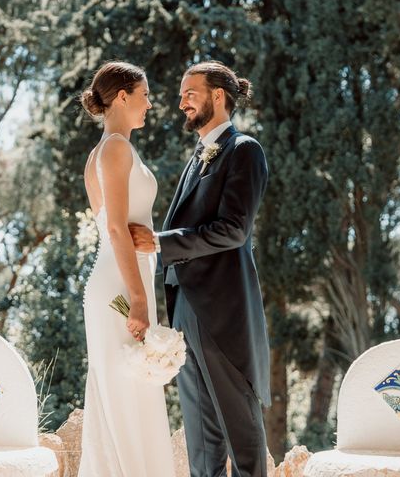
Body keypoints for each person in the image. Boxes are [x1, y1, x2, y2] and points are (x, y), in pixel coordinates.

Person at [130, 61, 271, 477]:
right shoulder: (197, 157)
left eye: (190, 93)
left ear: (218, 96)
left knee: (241, 438)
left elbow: (234, 230)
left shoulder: (244, 150)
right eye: (180, 95)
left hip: (223, 316)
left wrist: (162, 242)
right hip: (185, 311)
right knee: (202, 441)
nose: (180, 103)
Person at [78, 61, 175, 477]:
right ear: (122, 96)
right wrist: (138, 298)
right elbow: (116, 227)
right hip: (121, 287)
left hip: (123, 279)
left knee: (132, 398)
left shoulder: (106, 151)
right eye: (145, 95)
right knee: (125, 400)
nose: (149, 104)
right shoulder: (115, 148)